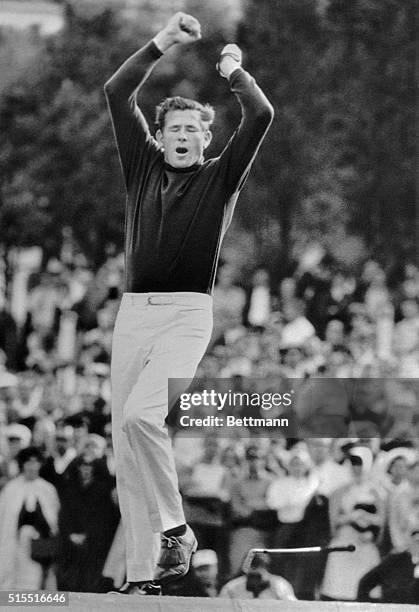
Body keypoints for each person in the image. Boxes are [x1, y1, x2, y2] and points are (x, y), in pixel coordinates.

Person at [104, 11, 273, 595]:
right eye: (172, 128)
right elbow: (116, 90)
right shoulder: (142, 164)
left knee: (141, 417)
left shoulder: (220, 176)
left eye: (191, 131)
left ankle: (178, 528)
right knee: (126, 443)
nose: (180, 136)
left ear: (204, 139)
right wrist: (164, 42)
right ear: (161, 134)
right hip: (133, 313)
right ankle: (143, 575)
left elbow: (261, 115)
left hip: (185, 315)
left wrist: (232, 69)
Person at [218, 552, 296, 600]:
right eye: (251, 576)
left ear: (267, 569)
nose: (254, 581)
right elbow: (218, 608)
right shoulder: (231, 588)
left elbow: (294, 608)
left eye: (257, 576)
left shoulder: (279, 585)